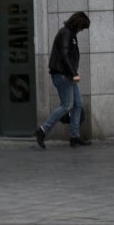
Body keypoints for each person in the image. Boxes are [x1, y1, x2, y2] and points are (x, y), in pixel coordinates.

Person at [36, 12, 91, 148]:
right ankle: (42, 130)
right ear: (77, 23)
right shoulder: (66, 33)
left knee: (77, 104)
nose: (81, 30)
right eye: (82, 27)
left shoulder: (70, 33)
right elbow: (64, 54)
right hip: (63, 75)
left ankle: (74, 137)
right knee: (67, 105)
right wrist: (74, 73)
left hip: (68, 75)